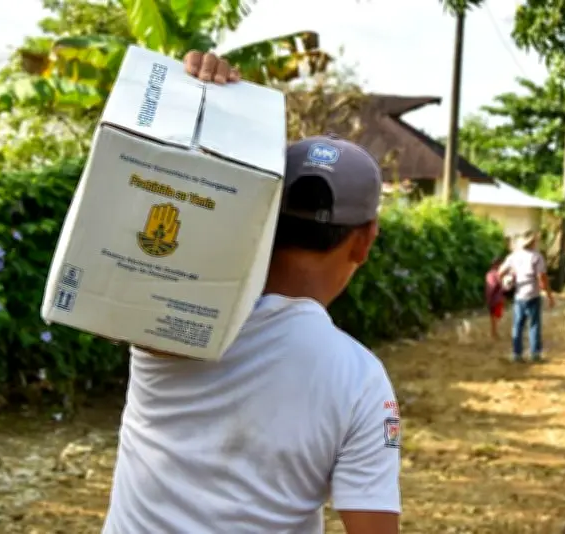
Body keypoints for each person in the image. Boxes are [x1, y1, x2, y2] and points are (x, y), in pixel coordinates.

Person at [101, 51, 401, 534]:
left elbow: (152, 189)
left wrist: (202, 100)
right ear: (365, 240)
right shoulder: (360, 381)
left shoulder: (169, 317)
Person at [498, 230, 555, 363]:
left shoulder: (513, 256)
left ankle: (517, 354)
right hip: (533, 294)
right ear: (533, 242)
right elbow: (542, 277)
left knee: (518, 325)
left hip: (519, 295)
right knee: (534, 325)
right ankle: (535, 354)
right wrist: (549, 294)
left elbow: (500, 272)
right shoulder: (536, 256)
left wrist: (506, 283)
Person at [485, 256, 506, 340]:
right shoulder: (499, 274)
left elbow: (490, 287)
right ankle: (495, 333)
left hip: (493, 298)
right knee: (496, 316)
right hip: (498, 298)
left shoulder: (489, 274)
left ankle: (494, 332)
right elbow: (499, 286)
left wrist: (488, 297)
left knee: (493, 316)